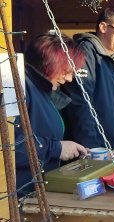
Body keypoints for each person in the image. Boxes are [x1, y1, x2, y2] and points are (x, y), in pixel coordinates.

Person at [15, 33, 88, 197]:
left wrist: (72, 148)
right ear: (50, 64)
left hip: (38, 192)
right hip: (22, 196)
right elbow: (11, 146)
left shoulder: (41, 90)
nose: (69, 78)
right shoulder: (21, 89)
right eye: (66, 71)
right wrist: (56, 148)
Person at [62, 8, 114, 149]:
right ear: (103, 27)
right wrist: (95, 150)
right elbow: (80, 104)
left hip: (113, 144)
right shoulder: (84, 53)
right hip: (94, 148)